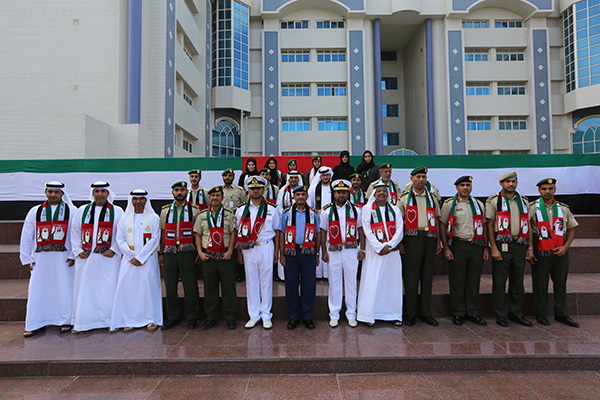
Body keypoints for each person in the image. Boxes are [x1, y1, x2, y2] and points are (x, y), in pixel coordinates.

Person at [20, 181, 77, 337]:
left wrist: (73, 254)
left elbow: (76, 235)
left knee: (65, 287)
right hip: (40, 259)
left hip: (64, 259)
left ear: (62, 194)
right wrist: (25, 257)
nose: (53, 195)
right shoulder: (35, 211)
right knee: (38, 289)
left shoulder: (72, 211)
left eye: (56, 192)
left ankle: (66, 320)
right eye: (50, 191)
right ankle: (35, 322)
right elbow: (27, 235)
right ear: (45, 192)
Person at [71, 181, 124, 332]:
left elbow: (122, 233)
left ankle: (109, 320)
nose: (100, 194)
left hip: (108, 258)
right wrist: (77, 250)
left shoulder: (118, 211)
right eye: (97, 191)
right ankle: (84, 322)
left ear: (108, 193)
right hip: (86, 259)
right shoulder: (82, 211)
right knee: (85, 290)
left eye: (103, 191)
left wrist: (114, 249)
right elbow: (74, 233)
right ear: (92, 193)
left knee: (108, 289)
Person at [528, 178, 579, 327]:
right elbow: (529, 231)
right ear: (539, 191)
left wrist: (565, 247)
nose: (547, 191)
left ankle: (561, 313)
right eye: (544, 189)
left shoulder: (563, 208)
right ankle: (541, 314)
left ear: (555, 190)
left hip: (560, 247)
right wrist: (530, 248)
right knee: (540, 283)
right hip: (541, 247)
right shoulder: (532, 208)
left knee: (561, 282)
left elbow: (571, 230)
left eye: (550, 188)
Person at [485, 171, 533, 328]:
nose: (510, 184)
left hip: (519, 244)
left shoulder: (524, 202)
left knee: (518, 281)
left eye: (513, 181)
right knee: (500, 282)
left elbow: (530, 226)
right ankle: (500, 314)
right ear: (501, 184)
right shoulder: (494, 201)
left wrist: (530, 247)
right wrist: (493, 247)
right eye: (507, 182)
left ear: (517, 183)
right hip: (501, 244)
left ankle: (516, 313)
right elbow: (490, 225)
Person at [439, 176, 489, 326]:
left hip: (476, 246)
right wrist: (445, 247)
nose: (465, 188)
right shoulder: (449, 204)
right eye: (462, 185)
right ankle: (458, 312)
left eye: (468, 185)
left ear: (471, 187)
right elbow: (442, 225)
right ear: (457, 188)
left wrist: (486, 247)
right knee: (457, 281)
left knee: (474, 281)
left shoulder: (479, 204)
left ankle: (472, 311)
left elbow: (484, 226)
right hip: (457, 245)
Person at [111, 189, 162, 332]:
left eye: (141, 199)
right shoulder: (124, 218)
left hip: (148, 260)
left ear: (146, 200)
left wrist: (141, 257)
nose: (138, 201)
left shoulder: (154, 217)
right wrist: (132, 256)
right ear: (131, 201)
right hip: (129, 260)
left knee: (149, 289)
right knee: (130, 289)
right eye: (135, 199)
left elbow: (155, 238)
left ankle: (152, 319)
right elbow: (120, 240)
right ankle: (130, 320)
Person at [235, 176, 280, 329]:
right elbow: (238, 233)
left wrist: (276, 252)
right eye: (252, 188)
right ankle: (253, 315)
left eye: (258, 188)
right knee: (251, 282)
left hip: (266, 247)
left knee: (266, 282)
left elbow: (277, 231)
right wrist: (239, 253)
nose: (255, 191)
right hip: (249, 249)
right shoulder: (241, 210)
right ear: (248, 190)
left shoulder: (272, 209)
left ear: (263, 190)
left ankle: (266, 315)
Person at [398, 166, 441, 327]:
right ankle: (410, 314)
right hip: (411, 238)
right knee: (411, 277)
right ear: (411, 179)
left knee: (427, 276)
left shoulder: (432, 198)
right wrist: (400, 243)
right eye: (418, 177)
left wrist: (438, 241)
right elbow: (398, 223)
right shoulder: (403, 198)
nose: (421, 180)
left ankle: (426, 312)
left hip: (429, 237)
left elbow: (436, 218)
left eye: (423, 177)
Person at [357, 182, 404, 326]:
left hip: (392, 252)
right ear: (374, 194)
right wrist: (379, 247)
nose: (382, 193)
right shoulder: (367, 209)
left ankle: (394, 314)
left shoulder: (395, 210)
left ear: (388, 194)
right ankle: (369, 315)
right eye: (379, 191)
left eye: (384, 191)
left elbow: (399, 230)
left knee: (392, 282)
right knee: (373, 281)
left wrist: (389, 246)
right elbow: (367, 230)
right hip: (374, 252)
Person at [320, 180, 365, 328]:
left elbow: (360, 230)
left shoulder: (356, 210)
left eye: (344, 192)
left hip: (351, 249)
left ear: (348, 193)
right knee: (334, 282)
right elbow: (323, 232)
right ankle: (334, 314)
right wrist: (324, 251)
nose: (341, 194)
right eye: (338, 192)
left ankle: (351, 313)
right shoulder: (327, 211)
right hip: (333, 250)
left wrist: (362, 249)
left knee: (351, 282)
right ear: (334, 194)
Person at [194, 186, 238, 330]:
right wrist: (200, 252)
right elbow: (198, 235)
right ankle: (211, 317)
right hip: (209, 257)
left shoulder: (229, 215)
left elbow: (233, 233)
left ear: (222, 197)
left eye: (218, 195)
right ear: (209, 198)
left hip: (225, 256)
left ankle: (231, 317)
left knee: (229, 288)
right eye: (212, 196)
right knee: (210, 288)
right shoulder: (201, 216)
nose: (215, 198)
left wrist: (231, 250)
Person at [159, 181, 200, 330]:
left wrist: (198, 252)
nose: (179, 192)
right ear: (172, 192)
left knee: (190, 285)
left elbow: (197, 234)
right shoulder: (165, 211)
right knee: (170, 285)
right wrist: (161, 253)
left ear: (186, 192)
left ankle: (192, 316)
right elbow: (162, 233)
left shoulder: (194, 211)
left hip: (187, 251)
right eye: (176, 190)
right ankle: (173, 317)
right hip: (170, 251)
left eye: (182, 189)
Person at [280, 185, 320, 329]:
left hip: (308, 251)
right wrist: (281, 254)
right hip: (291, 251)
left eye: (303, 194)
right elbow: (281, 233)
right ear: (294, 197)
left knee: (308, 284)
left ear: (307, 196)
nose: (301, 197)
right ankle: (294, 316)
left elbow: (318, 233)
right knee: (291, 283)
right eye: (298, 195)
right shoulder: (286, 214)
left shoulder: (314, 214)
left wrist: (317, 253)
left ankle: (307, 316)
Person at [221, 168, 247, 282]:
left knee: (236, 246)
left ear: (233, 177)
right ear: (223, 177)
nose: (227, 177)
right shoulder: (219, 190)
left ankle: (238, 273)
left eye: (230, 175)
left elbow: (244, 205)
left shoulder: (239, 190)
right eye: (225, 175)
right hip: (222, 222)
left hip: (235, 221)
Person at [307, 166, 333, 279]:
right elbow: (310, 205)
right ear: (320, 176)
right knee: (318, 243)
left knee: (329, 242)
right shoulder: (313, 189)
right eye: (323, 175)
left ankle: (328, 273)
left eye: (327, 175)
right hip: (318, 220)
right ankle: (318, 273)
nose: (325, 177)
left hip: (332, 220)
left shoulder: (334, 188)